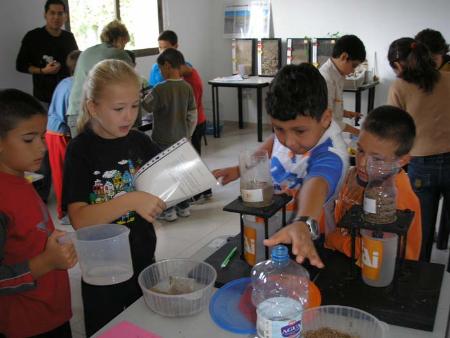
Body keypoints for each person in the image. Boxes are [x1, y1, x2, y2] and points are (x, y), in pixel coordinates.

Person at [62, 59, 166, 336]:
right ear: (92, 107)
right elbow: (80, 219)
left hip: (143, 256)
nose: (129, 116)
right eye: (119, 108)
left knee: (144, 325)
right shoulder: (80, 150)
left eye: (134, 106)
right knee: (107, 330)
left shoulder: (139, 141)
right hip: (102, 269)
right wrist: (132, 200)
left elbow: (166, 176)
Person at [214, 64, 349, 268]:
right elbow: (269, 147)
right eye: (279, 129)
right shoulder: (290, 129)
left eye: (300, 131)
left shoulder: (332, 152)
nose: (289, 141)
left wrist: (303, 222)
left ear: (325, 118)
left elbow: (317, 184)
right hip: (273, 220)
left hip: (308, 237)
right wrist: (239, 169)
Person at [0, 89, 77, 338]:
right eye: (29, 139)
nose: (42, 148)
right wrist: (46, 262)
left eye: (43, 137)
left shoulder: (21, 176)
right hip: (25, 324)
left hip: (51, 310)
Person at [325, 106, 422, 260]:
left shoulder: (399, 199)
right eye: (361, 151)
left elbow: (382, 253)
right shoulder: (352, 175)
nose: (362, 163)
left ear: (401, 161)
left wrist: (333, 239)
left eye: (377, 159)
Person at [387, 37, 450, 261]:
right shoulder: (448, 78)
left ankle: (420, 274)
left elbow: (394, 129)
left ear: (399, 64)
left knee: (421, 227)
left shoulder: (400, 87)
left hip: (421, 164)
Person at [16, 0, 78, 203]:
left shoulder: (69, 37)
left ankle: (68, 192)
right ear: (45, 14)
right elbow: (20, 65)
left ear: (65, 16)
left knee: (68, 148)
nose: (56, 17)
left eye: (60, 14)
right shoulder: (33, 37)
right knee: (42, 149)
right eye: (52, 13)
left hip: (68, 102)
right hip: (43, 101)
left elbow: (76, 62)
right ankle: (40, 194)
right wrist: (42, 71)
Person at [142, 48, 197, 222]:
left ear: (166, 66)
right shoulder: (187, 87)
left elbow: (146, 106)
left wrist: (142, 95)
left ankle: (168, 210)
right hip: (181, 139)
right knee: (180, 174)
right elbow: (192, 115)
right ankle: (184, 207)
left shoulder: (159, 89)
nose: (160, 72)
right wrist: (187, 135)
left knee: (165, 176)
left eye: (159, 69)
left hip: (162, 140)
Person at [415, 29, 450, 250]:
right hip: (428, 156)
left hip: (423, 158)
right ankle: (441, 244)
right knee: (426, 223)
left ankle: (424, 267)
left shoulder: (412, 80)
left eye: (433, 60)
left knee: (423, 224)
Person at [66, 20, 132, 137]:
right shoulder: (119, 54)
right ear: (121, 39)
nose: (124, 47)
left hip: (74, 113)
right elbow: (129, 85)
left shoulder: (86, 52)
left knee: (82, 153)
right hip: (95, 116)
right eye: (125, 43)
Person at [46, 50, 81, 223]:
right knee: (61, 174)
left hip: (58, 131)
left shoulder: (66, 82)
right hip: (58, 133)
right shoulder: (73, 86)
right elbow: (71, 117)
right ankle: (63, 212)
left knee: (66, 172)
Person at [319, 35, 366, 135]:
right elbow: (327, 120)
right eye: (354, 66)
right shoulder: (326, 79)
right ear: (344, 57)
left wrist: (346, 113)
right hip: (325, 133)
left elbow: (332, 106)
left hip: (332, 130)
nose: (353, 71)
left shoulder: (338, 74)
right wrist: (357, 132)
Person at [180, 61, 212, 202]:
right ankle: (205, 189)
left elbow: (189, 109)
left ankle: (199, 191)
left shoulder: (190, 82)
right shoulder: (191, 73)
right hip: (198, 121)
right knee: (195, 157)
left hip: (195, 124)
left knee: (193, 159)